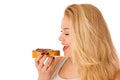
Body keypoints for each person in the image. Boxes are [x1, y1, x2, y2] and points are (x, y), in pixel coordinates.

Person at [35, 4, 120, 80]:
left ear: (87, 36)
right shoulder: (55, 64)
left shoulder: (114, 74)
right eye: (62, 31)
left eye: (67, 33)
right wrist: (43, 77)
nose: (60, 38)